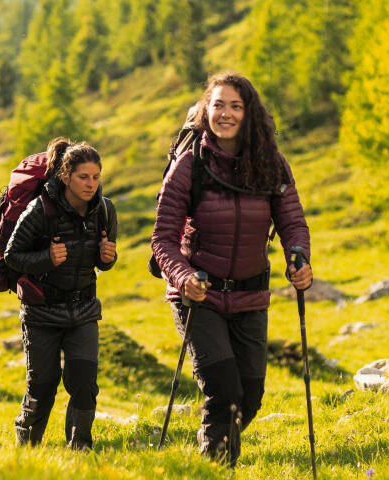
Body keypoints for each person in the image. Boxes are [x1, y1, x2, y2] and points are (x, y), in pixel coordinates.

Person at [151, 71, 313, 466]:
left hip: (250, 296)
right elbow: (162, 239)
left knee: (250, 398)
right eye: (218, 104)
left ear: (249, 113)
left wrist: (299, 256)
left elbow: (293, 222)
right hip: (199, 296)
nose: (225, 113)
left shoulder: (270, 164)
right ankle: (216, 468)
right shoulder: (190, 164)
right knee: (224, 392)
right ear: (207, 109)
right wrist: (183, 276)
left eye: (235, 106)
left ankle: (210, 444)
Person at [2, 139, 118, 449]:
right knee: (42, 385)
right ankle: (27, 446)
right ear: (65, 176)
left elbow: (99, 261)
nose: (91, 184)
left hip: (84, 311)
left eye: (96, 176)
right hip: (42, 312)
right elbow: (12, 256)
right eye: (83, 177)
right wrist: (46, 259)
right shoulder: (40, 209)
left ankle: (79, 449)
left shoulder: (105, 209)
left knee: (84, 385)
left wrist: (107, 259)